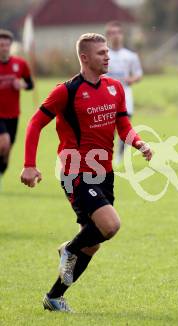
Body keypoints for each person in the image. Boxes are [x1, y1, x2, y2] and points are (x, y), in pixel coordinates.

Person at [20, 33, 152, 312]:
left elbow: (123, 127)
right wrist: (29, 164)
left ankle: (54, 297)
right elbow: (34, 124)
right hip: (75, 172)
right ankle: (67, 248)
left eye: (107, 51)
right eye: (101, 52)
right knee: (110, 226)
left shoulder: (115, 88)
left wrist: (138, 143)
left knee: (91, 245)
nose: (108, 56)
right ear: (84, 57)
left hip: (105, 174)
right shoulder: (66, 91)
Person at [105, 21, 143, 164]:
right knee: (107, 129)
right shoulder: (104, 55)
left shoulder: (130, 56)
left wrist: (131, 79)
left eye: (118, 33)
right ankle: (105, 156)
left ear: (122, 35)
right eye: (112, 33)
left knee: (125, 126)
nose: (116, 36)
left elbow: (139, 73)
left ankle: (120, 156)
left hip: (125, 95)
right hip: (106, 96)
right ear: (108, 36)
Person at [0, 29, 34, 189]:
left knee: (7, 150)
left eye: (6, 45)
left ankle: (1, 172)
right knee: (4, 142)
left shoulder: (20, 64)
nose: (4, 48)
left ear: (10, 46)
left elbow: (30, 84)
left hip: (13, 114)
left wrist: (22, 85)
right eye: (1, 45)